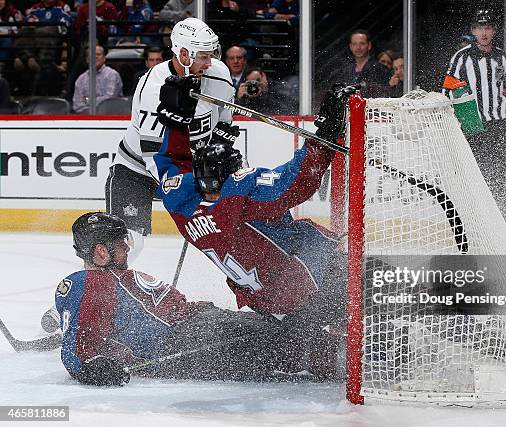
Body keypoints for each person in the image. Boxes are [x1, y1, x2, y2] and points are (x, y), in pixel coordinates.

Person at [153, 77, 354, 330]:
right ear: (230, 175)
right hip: (307, 285)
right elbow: (298, 180)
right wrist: (325, 132)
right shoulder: (242, 199)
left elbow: (171, 161)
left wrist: (176, 122)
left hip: (264, 301)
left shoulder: (181, 203)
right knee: (389, 290)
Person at [55, 212, 340, 386]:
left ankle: (344, 346)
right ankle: (347, 356)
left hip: (198, 326)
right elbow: (77, 346)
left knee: (282, 329)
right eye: (121, 245)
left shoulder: (110, 280)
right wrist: (89, 368)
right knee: (284, 340)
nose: (127, 251)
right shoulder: (85, 283)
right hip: (183, 341)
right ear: (101, 253)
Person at [105, 17, 235, 261]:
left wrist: (219, 151)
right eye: (203, 56)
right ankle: (99, 295)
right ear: (184, 54)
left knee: (233, 221)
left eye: (211, 54)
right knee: (128, 245)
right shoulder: (153, 88)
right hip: (137, 170)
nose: (210, 63)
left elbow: (224, 123)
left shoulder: (219, 74)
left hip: (191, 168)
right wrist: (193, 185)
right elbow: (154, 155)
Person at [442, 9, 506, 220]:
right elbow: (448, 90)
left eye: (488, 28)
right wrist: (449, 120)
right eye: (479, 28)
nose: (484, 33)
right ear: (473, 31)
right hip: (471, 126)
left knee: (503, 175)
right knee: (473, 176)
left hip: (496, 126)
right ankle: (474, 220)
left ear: (494, 31)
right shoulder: (461, 57)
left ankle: (499, 220)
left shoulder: (502, 58)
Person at [336, 29, 391, 98]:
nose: (358, 47)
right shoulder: (346, 70)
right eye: (354, 44)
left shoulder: (379, 68)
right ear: (350, 47)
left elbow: (385, 93)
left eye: (362, 43)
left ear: (369, 45)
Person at [72, 44, 123, 113]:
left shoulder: (112, 74)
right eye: (92, 55)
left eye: (98, 54)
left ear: (104, 58)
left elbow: (110, 99)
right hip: (86, 119)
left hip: (110, 117)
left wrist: (87, 100)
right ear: (87, 59)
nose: (95, 57)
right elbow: (77, 105)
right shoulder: (81, 79)